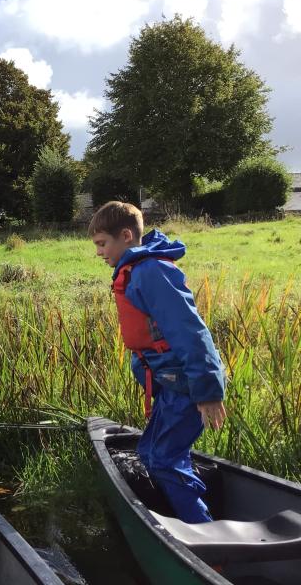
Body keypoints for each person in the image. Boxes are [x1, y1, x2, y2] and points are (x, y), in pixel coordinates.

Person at [89, 201, 226, 524]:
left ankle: (202, 530)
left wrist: (208, 391)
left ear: (126, 236)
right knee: (151, 453)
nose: (99, 253)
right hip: (170, 384)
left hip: (187, 387)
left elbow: (190, 332)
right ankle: (190, 513)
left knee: (162, 459)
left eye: (102, 243)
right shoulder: (137, 270)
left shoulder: (151, 272)